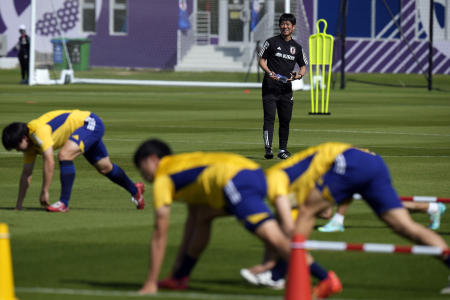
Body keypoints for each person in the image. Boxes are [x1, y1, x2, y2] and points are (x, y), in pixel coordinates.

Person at [265, 142, 450, 295]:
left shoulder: (278, 176)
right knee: (404, 226)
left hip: (350, 161)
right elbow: (325, 211)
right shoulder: (296, 171)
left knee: (306, 212)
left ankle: (279, 274)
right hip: (373, 161)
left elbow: (304, 215)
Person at [133, 139, 295, 294]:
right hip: (251, 171)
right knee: (203, 217)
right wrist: (177, 268)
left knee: (271, 236)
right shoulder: (182, 167)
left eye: (141, 167)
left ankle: (318, 276)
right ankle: (180, 276)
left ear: (152, 159)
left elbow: (160, 232)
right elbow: (192, 222)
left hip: (237, 179)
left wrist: (150, 282)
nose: (142, 174)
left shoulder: (164, 177)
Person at [2, 109, 145, 212]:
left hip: (89, 123)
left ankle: (63, 203)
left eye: (16, 146)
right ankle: (135, 190)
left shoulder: (38, 131)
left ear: (24, 138)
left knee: (64, 155)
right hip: (80, 132)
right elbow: (26, 174)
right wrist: (18, 206)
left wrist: (45, 190)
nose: (17, 150)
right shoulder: (29, 148)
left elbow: (49, 161)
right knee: (105, 168)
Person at [258, 13, 307, 160]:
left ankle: (282, 150)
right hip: (270, 86)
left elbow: (303, 66)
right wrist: (269, 72)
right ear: (280, 26)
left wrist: (298, 75)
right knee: (269, 118)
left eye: (288, 24)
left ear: (293, 27)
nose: (285, 27)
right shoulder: (271, 42)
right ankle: (268, 149)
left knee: (285, 120)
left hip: (286, 89)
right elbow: (261, 60)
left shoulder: (297, 47)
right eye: (283, 24)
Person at [319, 196, 446, 232]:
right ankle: (433, 208)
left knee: (387, 205)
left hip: (365, 170)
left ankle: (433, 207)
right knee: (388, 204)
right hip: (366, 166)